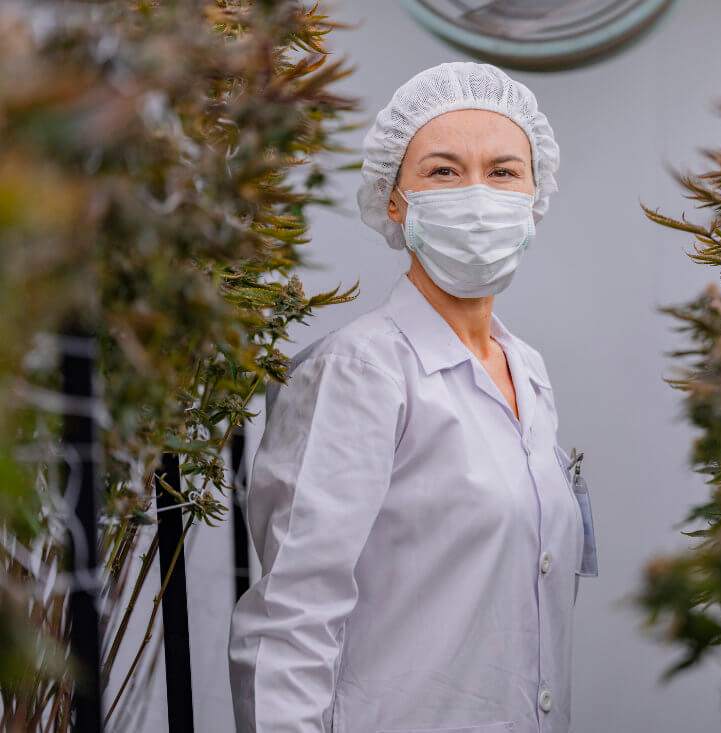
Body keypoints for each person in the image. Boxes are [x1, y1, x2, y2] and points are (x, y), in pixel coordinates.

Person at [228, 61, 595, 733]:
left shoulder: (528, 370)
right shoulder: (363, 369)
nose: (478, 195)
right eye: (444, 171)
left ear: (535, 195)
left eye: (504, 171)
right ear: (394, 200)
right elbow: (294, 618)